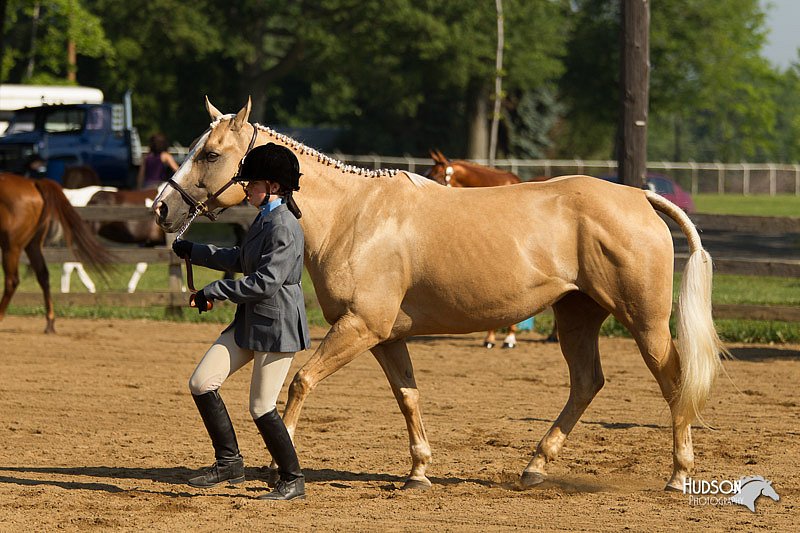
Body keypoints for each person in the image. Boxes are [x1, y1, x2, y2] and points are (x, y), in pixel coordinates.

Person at [171, 143, 311, 501]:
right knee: (202, 382)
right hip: (251, 320)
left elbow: (266, 281)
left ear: (274, 186)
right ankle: (230, 463)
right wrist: (196, 251)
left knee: (261, 406)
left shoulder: (285, 226)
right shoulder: (264, 218)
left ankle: (292, 479)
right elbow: (241, 258)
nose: (246, 188)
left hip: (277, 324)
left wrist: (213, 291)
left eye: (251, 183)